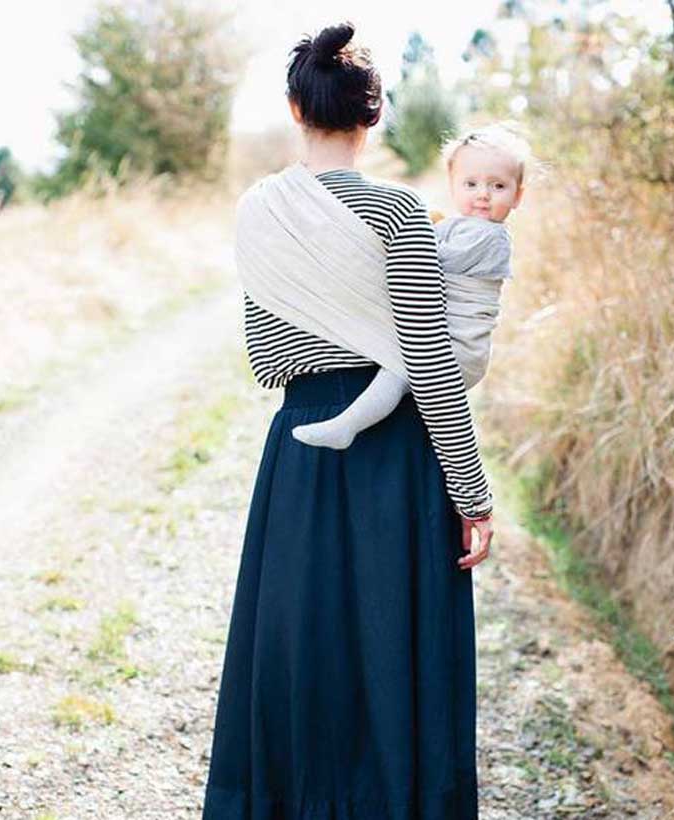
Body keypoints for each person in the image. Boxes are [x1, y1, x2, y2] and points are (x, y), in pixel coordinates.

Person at [201, 21, 493, 820]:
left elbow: (266, 355)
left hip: (301, 449)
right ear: (374, 115)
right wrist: (472, 492)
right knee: (398, 653)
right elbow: (430, 364)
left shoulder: (259, 211)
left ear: (296, 107)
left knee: (301, 647)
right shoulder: (398, 213)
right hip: (398, 454)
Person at [291, 122, 529, 450]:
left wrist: (407, 233)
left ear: (518, 195)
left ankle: (347, 426)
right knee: (399, 376)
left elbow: (429, 261)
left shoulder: (492, 237)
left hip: (460, 348)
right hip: (448, 338)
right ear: (453, 185)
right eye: (471, 184)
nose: (483, 194)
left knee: (397, 369)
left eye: (498, 186)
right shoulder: (463, 226)